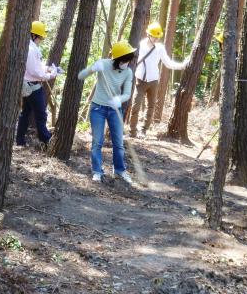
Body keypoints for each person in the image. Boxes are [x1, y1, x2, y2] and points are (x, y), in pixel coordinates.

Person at [79, 41, 135, 183]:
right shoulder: (103, 64)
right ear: (117, 59)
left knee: (118, 142)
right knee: (97, 141)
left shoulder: (128, 72)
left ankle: (120, 170)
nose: (127, 63)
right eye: (124, 60)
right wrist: (92, 68)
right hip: (98, 108)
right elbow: (80, 76)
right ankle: (97, 171)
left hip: (115, 109)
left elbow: (127, 93)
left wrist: (119, 99)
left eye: (128, 60)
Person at [128, 22, 186, 137]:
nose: (156, 38)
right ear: (148, 34)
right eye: (154, 36)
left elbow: (168, 63)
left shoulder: (160, 48)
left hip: (153, 81)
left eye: (158, 37)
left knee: (151, 106)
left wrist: (182, 65)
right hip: (140, 80)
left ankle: (144, 130)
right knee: (136, 105)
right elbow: (132, 60)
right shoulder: (140, 45)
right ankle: (132, 131)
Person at [16, 21, 59, 148]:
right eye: (40, 36)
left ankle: (20, 140)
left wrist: (48, 69)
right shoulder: (30, 49)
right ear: (34, 35)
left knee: (26, 112)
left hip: (28, 85)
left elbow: (36, 67)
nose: (41, 39)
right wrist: (50, 75)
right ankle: (46, 139)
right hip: (33, 86)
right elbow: (34, 71)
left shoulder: (30, 47)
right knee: (41, 114)